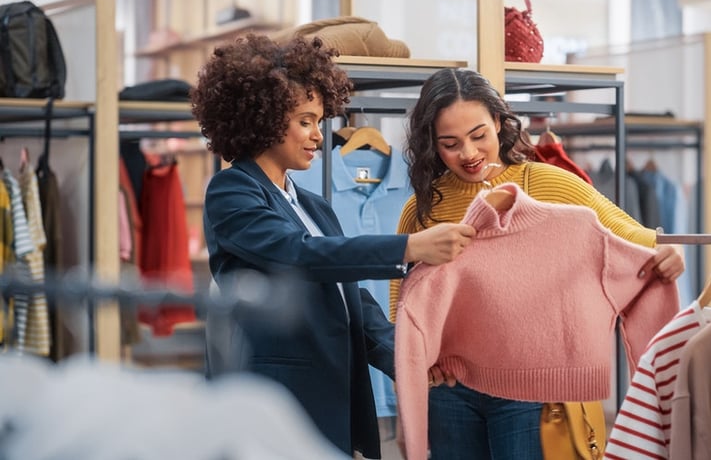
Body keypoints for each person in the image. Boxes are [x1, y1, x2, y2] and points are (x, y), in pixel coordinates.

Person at [192, 34, 476, 459]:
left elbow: (351, 299)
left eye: (319, 122)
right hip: (277, 399)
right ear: (263, 118)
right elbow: (298, 254)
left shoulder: (313, 205)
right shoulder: (231, 191)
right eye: (305, 121)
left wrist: (409, 360)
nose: (318, 137)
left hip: (330, 394)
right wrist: (409, 247)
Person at [389, 67, 685, 459]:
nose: (470, 154)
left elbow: (628, 235)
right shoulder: (423, 208)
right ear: (433, 144)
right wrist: (419, 364)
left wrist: (668, 251)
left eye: (479, 136)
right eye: (451, 143)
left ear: (498, 122)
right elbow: (402, 299)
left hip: (530, 389)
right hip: (450, 390)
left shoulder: (549, 183)